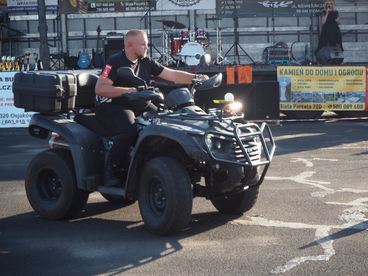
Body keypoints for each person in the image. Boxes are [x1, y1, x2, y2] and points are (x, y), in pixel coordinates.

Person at [95, 29, 208, 186]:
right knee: (130, 127)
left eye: (147, 44)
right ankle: (112, 168)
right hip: (118, 106)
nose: (147, 47)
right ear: (129, 44)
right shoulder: (114, 62)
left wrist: (196, 78)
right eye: (143, 44)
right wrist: (128, 90)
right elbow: (100, 88)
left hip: (143, 105)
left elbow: (172, 75)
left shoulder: (145, 61)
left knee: (167, 122)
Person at [316, 0, 343, 64]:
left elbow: (339, 22)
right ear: (326, 5)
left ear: (332, 5)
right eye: (328, 4)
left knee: (335, 45)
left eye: (330, 4)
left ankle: (335, 60)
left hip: (335, 31)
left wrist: (337, 19)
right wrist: (327, 13)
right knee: (325, 45)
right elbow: (323, 22)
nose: (329, 5)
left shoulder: (336, 12)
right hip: (326, 31)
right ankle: (326, 60)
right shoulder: (323, 12)